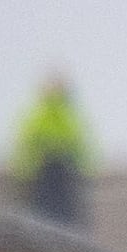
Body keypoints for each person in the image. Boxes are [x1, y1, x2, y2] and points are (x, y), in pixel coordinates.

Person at [13, 72, 93, 225]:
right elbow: (25, 147)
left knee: (56, 212)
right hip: (43, 176)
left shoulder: (68, 117)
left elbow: (83, 149)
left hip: (61, 176)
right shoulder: (40, 116)